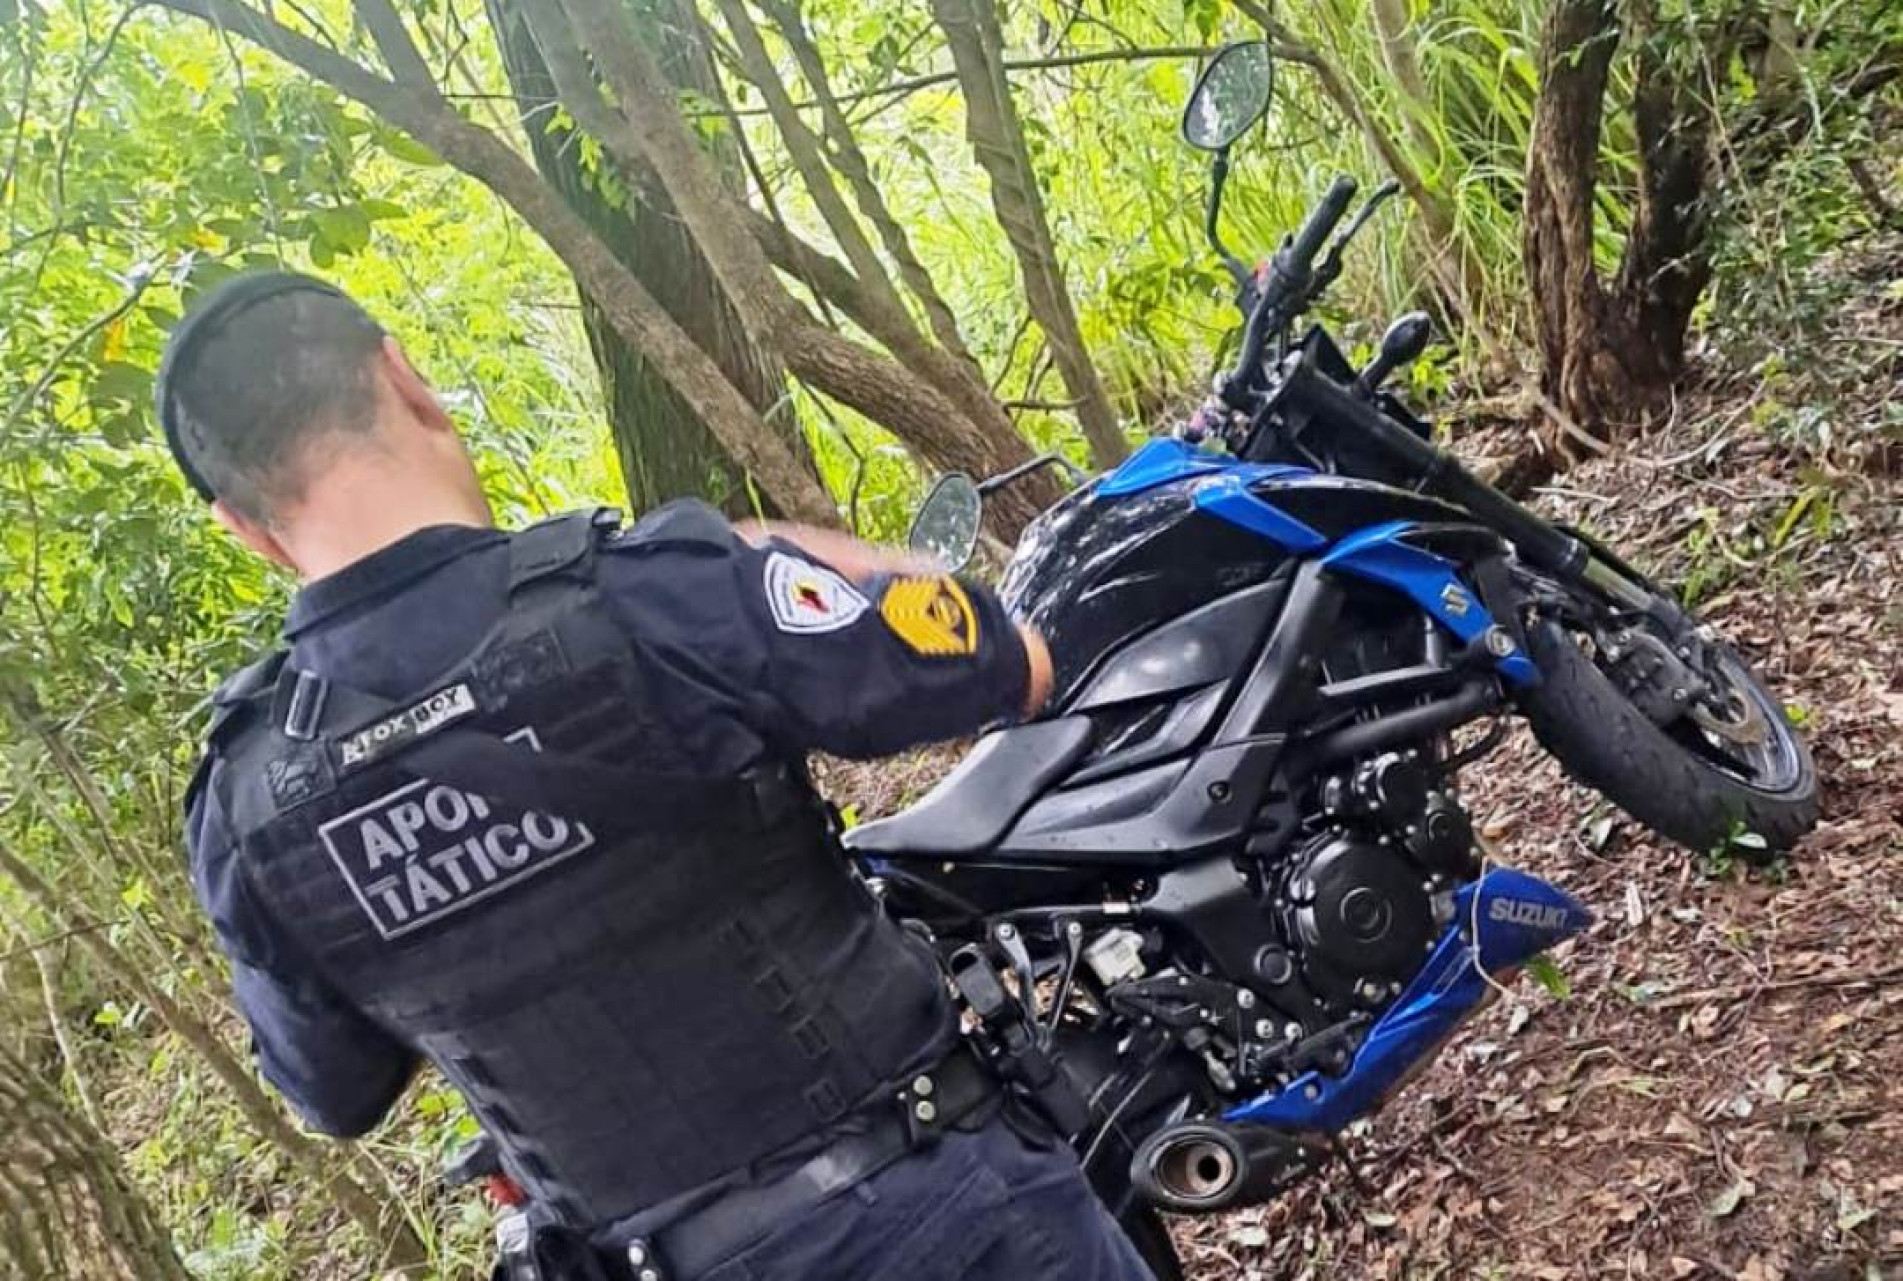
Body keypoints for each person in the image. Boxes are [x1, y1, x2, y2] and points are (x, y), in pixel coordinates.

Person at [164, 271, 1156, 1281]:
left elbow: (332, 1091)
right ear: (407, 381)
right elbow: (1003, 663)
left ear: (241, 526)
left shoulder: (243, 807)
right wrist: (768, 555)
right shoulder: (658, 594)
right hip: (933, 1225)